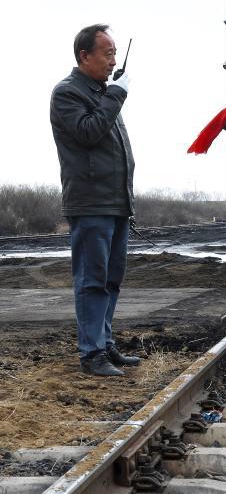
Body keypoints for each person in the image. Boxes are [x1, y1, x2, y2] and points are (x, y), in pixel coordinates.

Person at [50, 24, 141, 377]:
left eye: (115, 53)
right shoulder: (67, 93)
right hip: (90, 204)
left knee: (111, 279)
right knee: (92, 279)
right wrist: (116, 95)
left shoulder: (104, 93)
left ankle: (104, 342)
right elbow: (88, 133)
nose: (113, 61)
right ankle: (91, 354)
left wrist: (111, 94)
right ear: (84, 56)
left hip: (116, 203)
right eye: (108, 53)